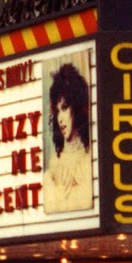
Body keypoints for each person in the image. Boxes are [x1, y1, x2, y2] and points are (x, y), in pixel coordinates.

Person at [43, 61, 92, 213]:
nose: (60, 118)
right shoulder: (54, 161)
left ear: (76, 107)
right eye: (57, 111)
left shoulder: (89, 157)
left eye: (64, 108)